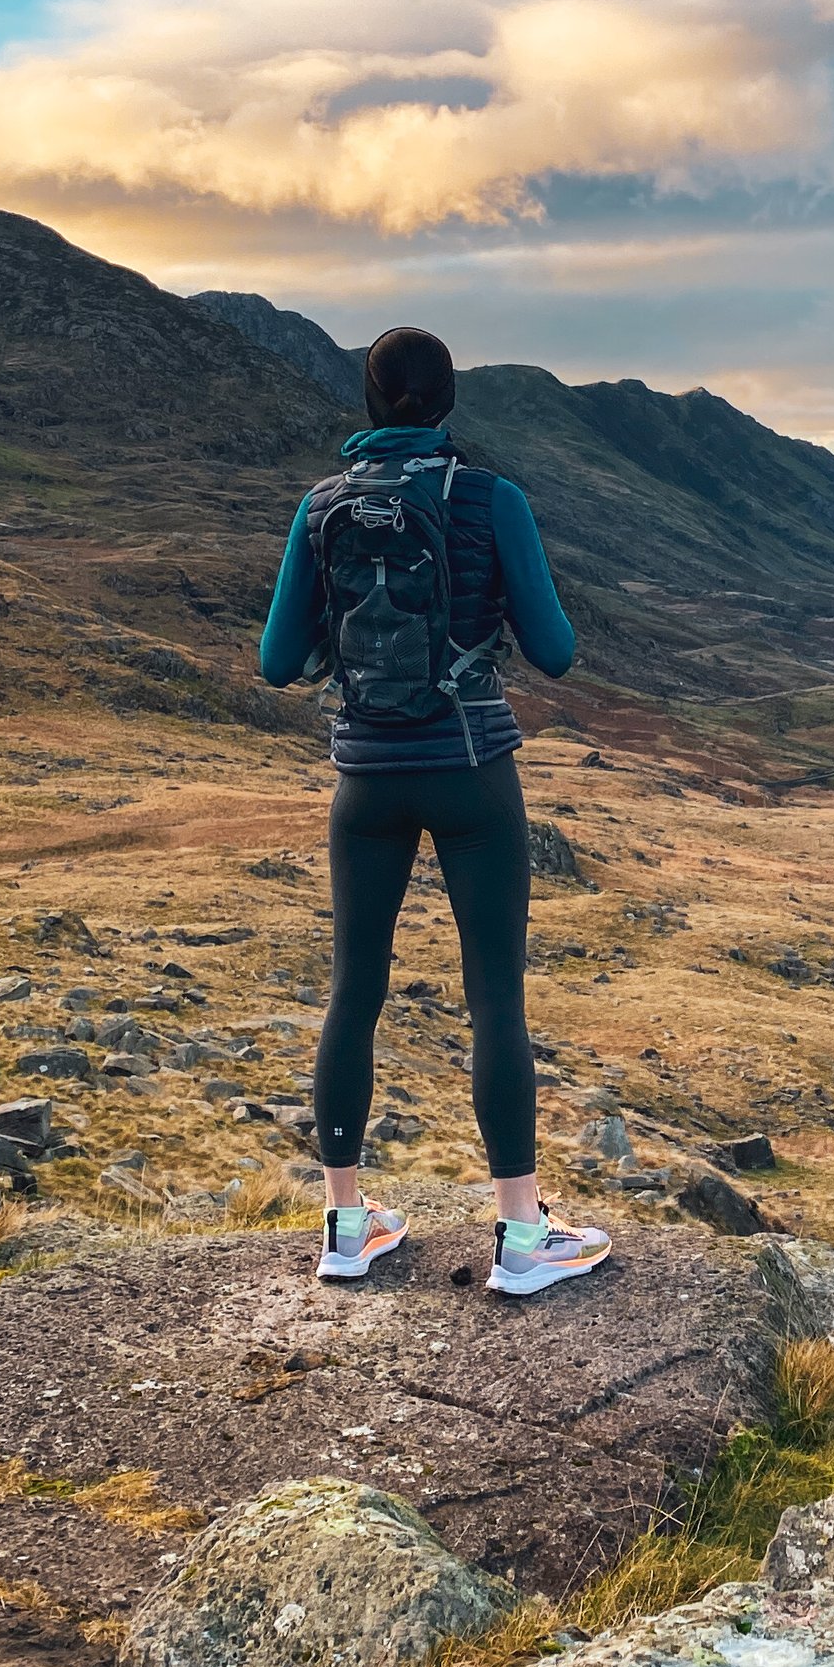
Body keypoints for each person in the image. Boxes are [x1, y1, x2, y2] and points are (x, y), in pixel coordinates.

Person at [257, 324, 611, 1302]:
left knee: (352, 992)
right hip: (469, 768)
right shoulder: (489, 499)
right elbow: (555, 650)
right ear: (448, 403)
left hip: (364, 779)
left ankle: (344, 1224)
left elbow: (277, 663)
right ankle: (522, 1234)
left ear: (368, 406)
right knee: (495, 994)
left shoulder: (318, 509)